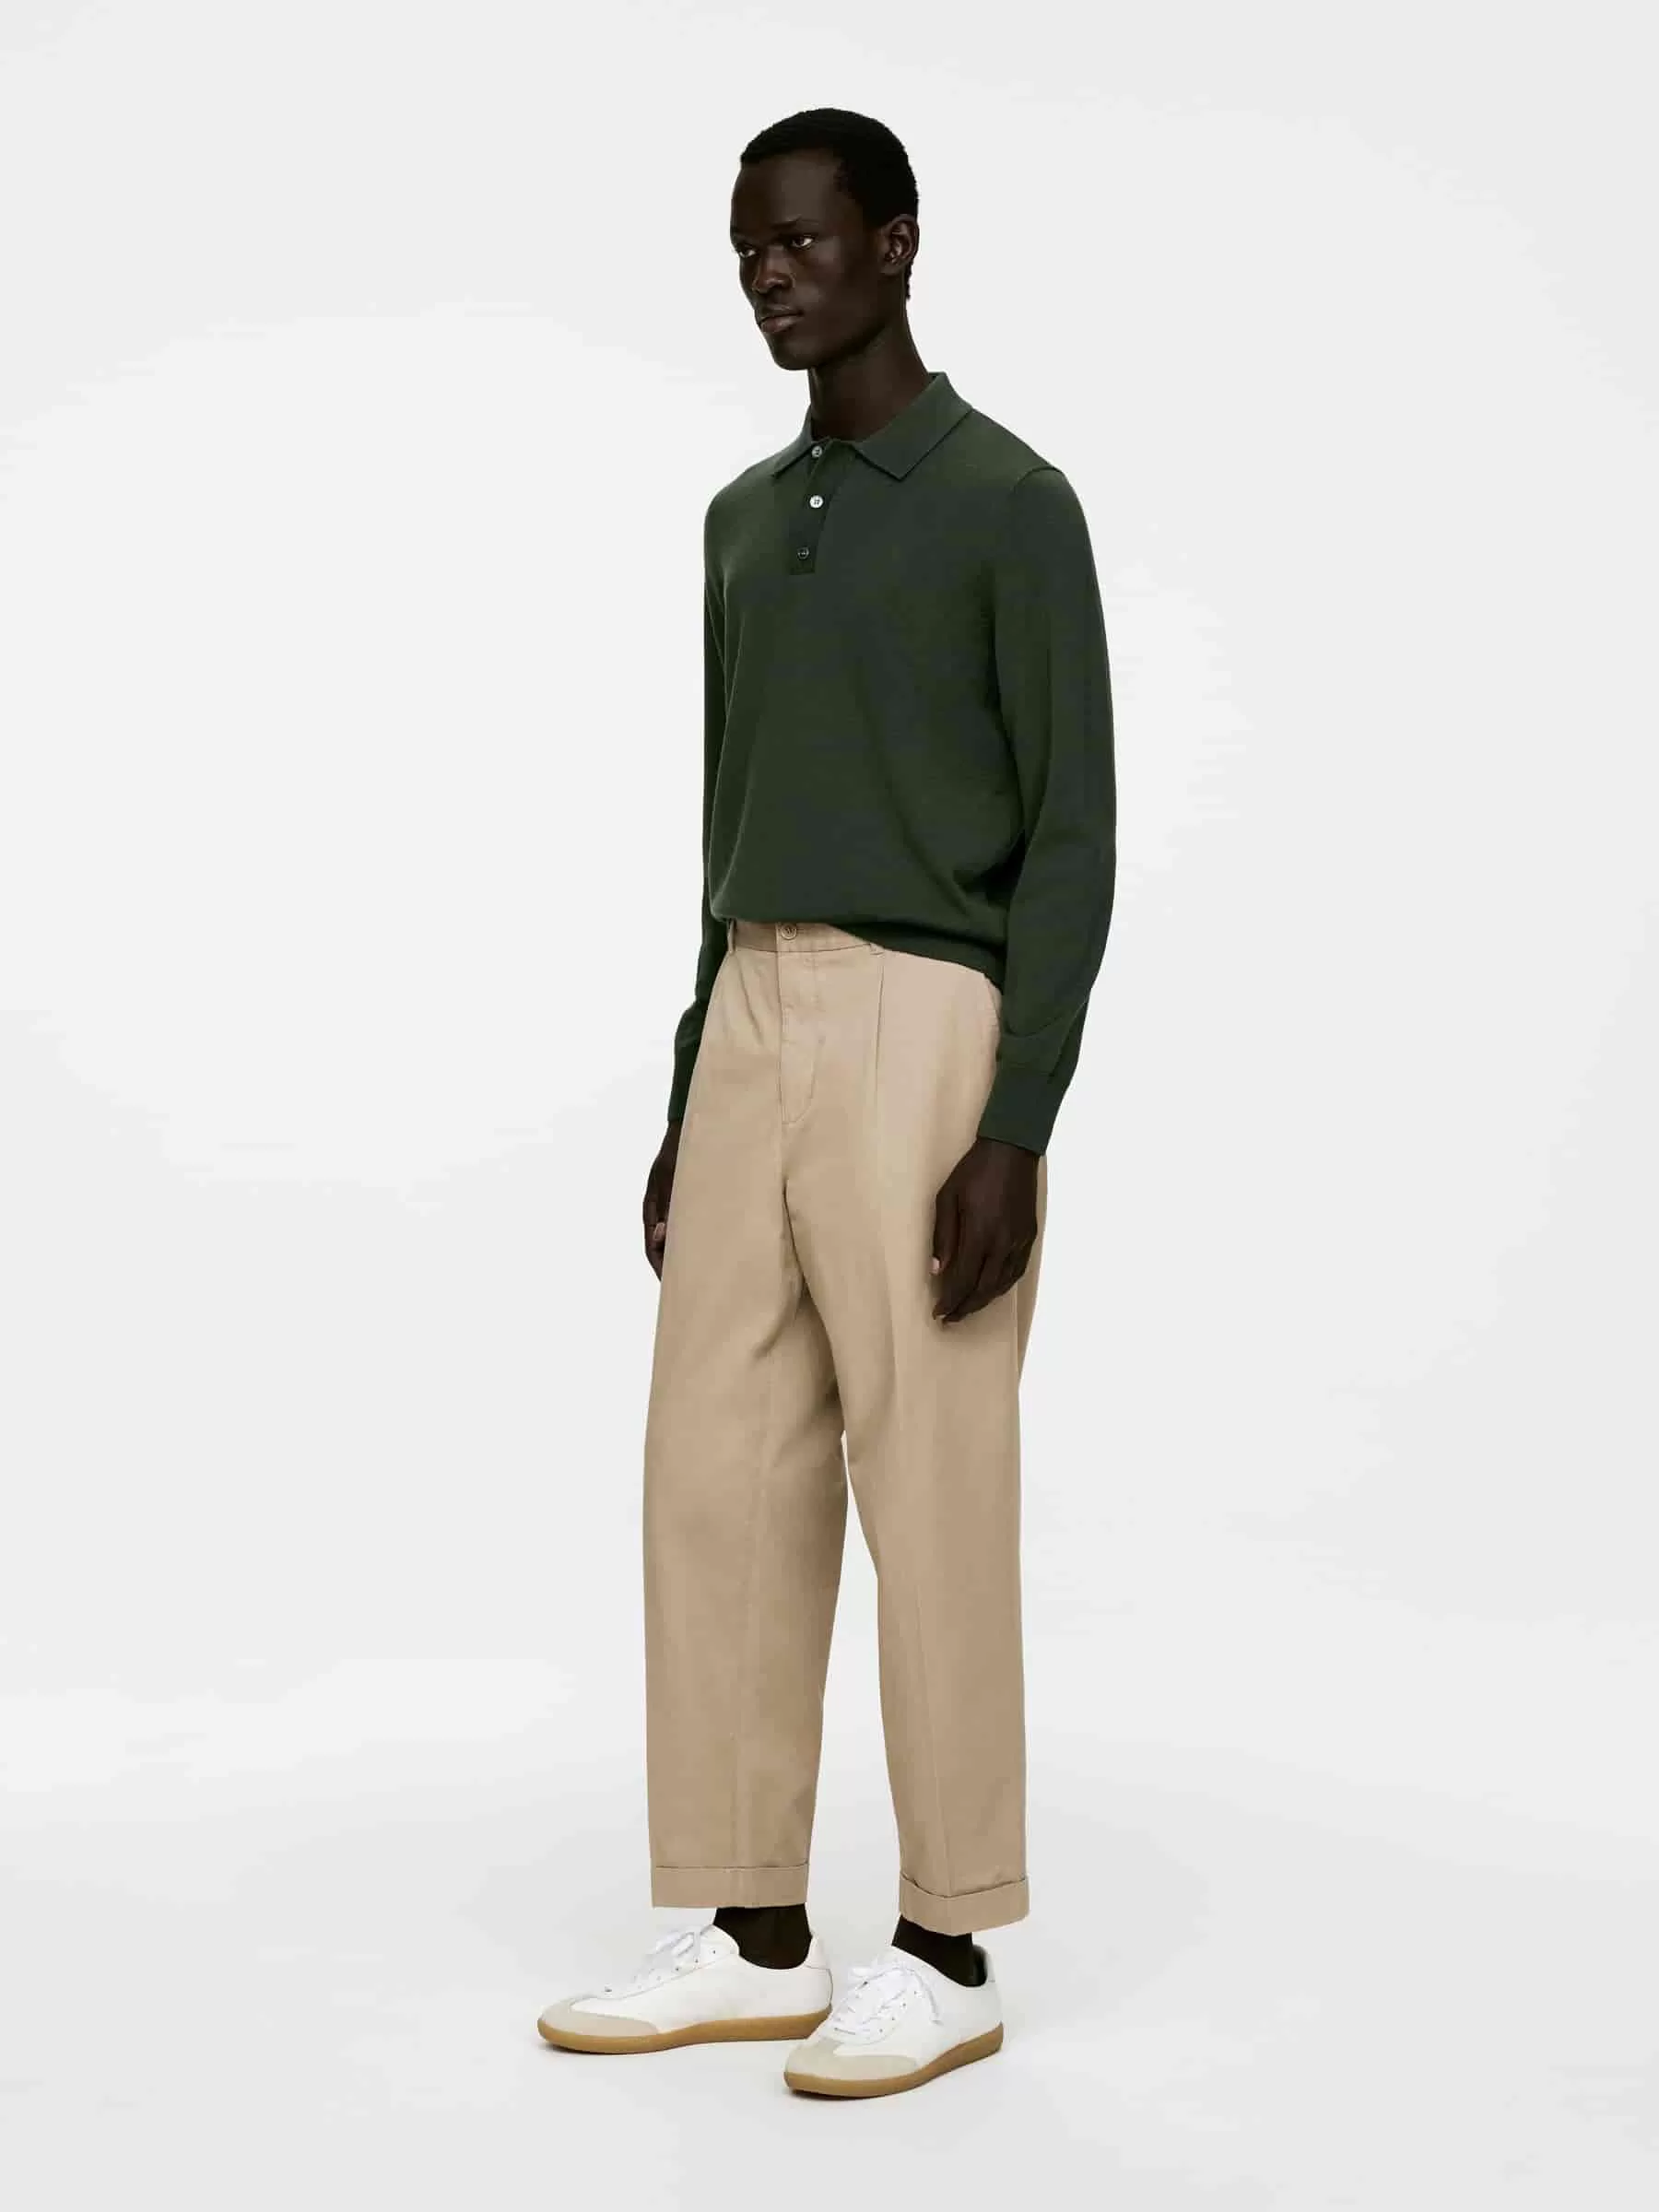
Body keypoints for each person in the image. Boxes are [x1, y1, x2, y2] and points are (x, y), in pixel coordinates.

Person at [538, 106, 1116, 2100]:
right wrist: (688, 1087)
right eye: (746, 251)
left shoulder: (1008, 501)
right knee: (713, 1471)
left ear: (896, 244)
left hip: (923, 1019)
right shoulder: (735, 524)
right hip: (754, 1019)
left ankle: (948, 1943)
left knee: (928, 1475)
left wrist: (1017, 1121)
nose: (770, 276)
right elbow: (725, 828)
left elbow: (1072, 833)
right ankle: (751, 1928)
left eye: (800, 241)